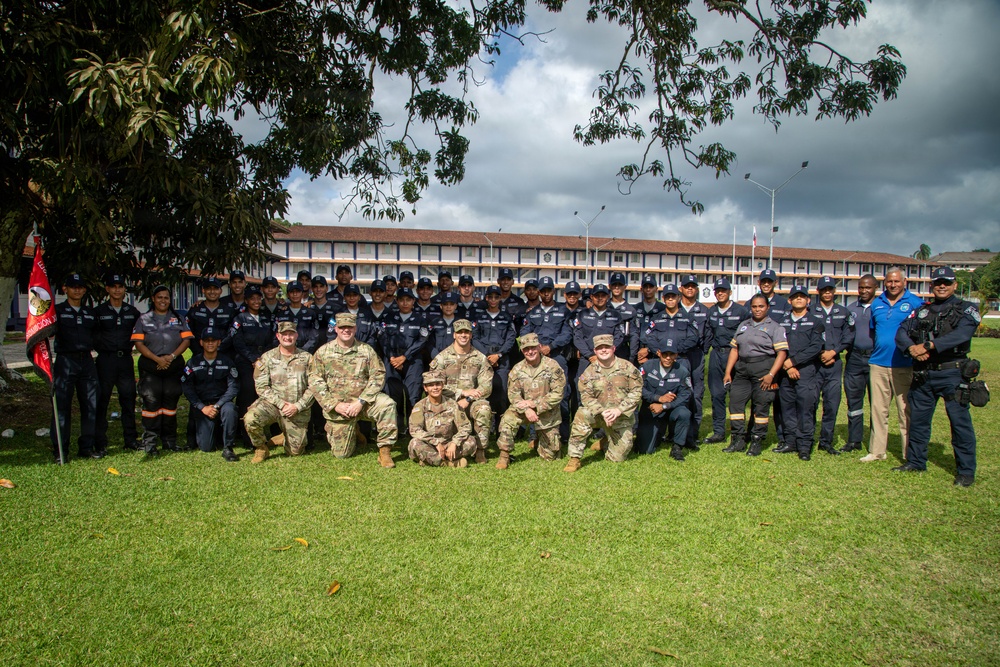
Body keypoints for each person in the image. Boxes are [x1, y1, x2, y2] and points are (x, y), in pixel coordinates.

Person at [893, 266, 980, 485]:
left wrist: (930, 345)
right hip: (924, 373)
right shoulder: (923, 310)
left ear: (955, 285)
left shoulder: (966, 309)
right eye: (938, 282)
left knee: (960, 424)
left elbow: (962, 335)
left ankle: (966, 471)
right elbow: (902, 331)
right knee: (919, 422)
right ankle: (916, 462)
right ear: (932, 285)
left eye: (947, 283)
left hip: (953, 372)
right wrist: (911, 349)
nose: (942, 286)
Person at [309, 313, 398, 467]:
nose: (346, 330)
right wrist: (334, 405)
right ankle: (353, 431)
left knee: (387, 405)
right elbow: (315, 381)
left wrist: (361, 401)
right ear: (336, 329)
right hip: (339, 406)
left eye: (349, 327)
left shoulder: (366, 350)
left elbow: (378, 375)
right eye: (342, 327)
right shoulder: (323, 352)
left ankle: (385, 451)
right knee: (341, 455)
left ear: (355, 328)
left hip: (363, 402)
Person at [863, 267, 925, 462]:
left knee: (905, 411)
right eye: (890, 281)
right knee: (878, 410)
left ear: (904, 282)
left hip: (903, 364)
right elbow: (875, 331)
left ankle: (909, 454)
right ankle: (877, 451)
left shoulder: (915, 303)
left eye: (897, 281)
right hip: (878, 363)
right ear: (885, 282)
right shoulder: (877, 303)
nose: (893, 285)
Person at [563, 334, 643, 472]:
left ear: (613, 348)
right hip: (598, 414)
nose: (604, 350)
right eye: (600, 348)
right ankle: (574, 458)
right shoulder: (588, 372)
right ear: (595, 351)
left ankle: (606, 441)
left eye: (607, 347)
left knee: (617, 459)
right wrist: (602, 411)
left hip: (620, 415)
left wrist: (619, 410)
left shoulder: (628, 368)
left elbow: (636, 391)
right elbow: (586, 396)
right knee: (581, 414)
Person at [722, 294, 788, 456]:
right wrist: (728, 372)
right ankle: (737, 440)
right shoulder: (743, 325)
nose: (757, 310)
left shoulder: (775, 327)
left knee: (761, 406)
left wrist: (771, 374)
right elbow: (735, 349)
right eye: (754, 307)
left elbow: (782, 353)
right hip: (742, 369)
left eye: (761, 306)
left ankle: (757, 441)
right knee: (735, 404)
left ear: (767, 308)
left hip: (764, 369)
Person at [132, 285, 193, 457]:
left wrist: (171, 357)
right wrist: (157, 359)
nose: (163, 300)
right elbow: (139, 343)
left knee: (170, 403)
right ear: (153, 298)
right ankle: (150, 443)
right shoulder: (143, 319)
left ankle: (169, 441)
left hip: (172, 365)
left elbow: (186, 341)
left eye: (166, 297)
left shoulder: (178, 318)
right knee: (151, 403)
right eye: (159, 297)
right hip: (151, 365)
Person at [245, 321, 315, 463]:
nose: (288, 337)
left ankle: (285, 434)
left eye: (291, 334)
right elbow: (261, 386)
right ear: (278, 336)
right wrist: (281, 404)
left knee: (295, 453)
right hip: (273, 405)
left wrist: (298, 406)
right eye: (284, 334)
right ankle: (261, 448)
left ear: (296, 335)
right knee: (250, 419)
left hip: (297, 409)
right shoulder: (267, 358)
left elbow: (314, 386)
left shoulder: (307, 358)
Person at [496, 333, 566, 468]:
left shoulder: (552, 366)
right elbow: (513, 394)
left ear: (539, 347)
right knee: (508, 419)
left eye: (533, 348)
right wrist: (526, 409)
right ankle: (504, 455)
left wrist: (535, 405)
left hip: (547, 411)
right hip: (523, 410)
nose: (530, 351)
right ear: (522, 351)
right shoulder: (517, 369)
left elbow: (558, 393)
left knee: (550, 457)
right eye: (526, 349)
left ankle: (541, 439)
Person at [429, 319, 494, 463]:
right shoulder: (442, 358)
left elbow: (486, 386)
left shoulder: (480, 358)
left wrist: (469, 399)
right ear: (454, 335)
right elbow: (435, 385)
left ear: (471, 335)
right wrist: (462, 393)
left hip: (472, 402)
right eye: (460, 332)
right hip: (447, 401)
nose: (463, 335)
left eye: (466, 332)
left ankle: (480, 449)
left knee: (483, 408)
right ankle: (441, 446)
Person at [51, 273, 100, 462]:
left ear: (85, 290)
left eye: (80, 287)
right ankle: (60, 450)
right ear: (65, 289)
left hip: (86, 361)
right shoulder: (57, 311)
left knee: (90, 405)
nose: (77, 290)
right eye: (73, 287)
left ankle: (86, 448)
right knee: (61, 407)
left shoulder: (90, 313)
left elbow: (96, 335)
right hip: (65, 361)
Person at [774, 285, 827, 461]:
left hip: (807, 372)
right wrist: (788, 366)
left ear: (808, 300)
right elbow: (777, 344)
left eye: (802, 296)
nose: (798, 299)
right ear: (789, 300)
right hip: (785, 371)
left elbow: (816, 347)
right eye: (795, 296)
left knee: (806, 409)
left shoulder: (815, 322)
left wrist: (794, 362)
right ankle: (790, 442)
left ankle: (804, 446)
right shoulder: (782, 322)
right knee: (787, 409)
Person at [94, 272, 141, 453]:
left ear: (124, 289)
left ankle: (130, 440)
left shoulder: (132, 312)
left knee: (128, 400)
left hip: (125, 360)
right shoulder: (99, 312)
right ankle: (100, 442)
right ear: (107, 289)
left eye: (120, 287)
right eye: (113, 286)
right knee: (102, 401)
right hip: (106, 360)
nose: (117, 290)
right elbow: (94, 336)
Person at [180, 327, 239, 461]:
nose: (210, 343)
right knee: (206, 447)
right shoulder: (193, 363)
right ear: (201, 343)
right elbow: (187, 388)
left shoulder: (227, 362)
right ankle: (215, 434)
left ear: (219, 342)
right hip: (203, 406)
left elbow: (233, 387)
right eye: (207, 341)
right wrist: (202, 407)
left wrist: (217, 405)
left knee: (230, 410)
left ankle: (228, 448)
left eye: (214, 340)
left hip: (222, 404)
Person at [703, 278, 749, 444]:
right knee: (717, 395)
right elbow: (708, 334)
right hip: (716, 354)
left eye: (723, 290)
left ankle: (739, 433)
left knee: (736, 396)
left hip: (735, 355)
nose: (720, 293)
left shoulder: (741, 311)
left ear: (730, 292)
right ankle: (719, 432)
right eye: (717, 291)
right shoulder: (712, 311)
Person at [229, 284, 276, 443]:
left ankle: (267, 433)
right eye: (252, 298)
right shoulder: (239, 318)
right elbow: (238, 342)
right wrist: (253, 359)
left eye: (258, 298)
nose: (256, 301)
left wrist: (262, 359)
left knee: (265, 395)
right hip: (245, 362)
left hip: (264, 361)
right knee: (247, 395)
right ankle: (245, 435)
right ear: (246, 300)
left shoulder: (267, 317)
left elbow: (273, 340)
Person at [812, 276, 852, 455]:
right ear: (818, 291)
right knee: (810, 403)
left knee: (831, 404)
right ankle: (807, 438)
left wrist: (833, 352)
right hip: (814, 364)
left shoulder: (843, 312)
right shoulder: (810, 311)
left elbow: (848, 337)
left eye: (830, 289)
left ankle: (826, 441)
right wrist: (819, 353)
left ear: (834, 291)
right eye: (824, 289)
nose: (827, 292)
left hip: (834, 364)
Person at [636, 340, 692, 460]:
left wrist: (664, 406)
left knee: (684, 413)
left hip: (672, 408)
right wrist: (658, 398)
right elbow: (638, 388)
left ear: (676, 355)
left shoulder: (682, 371)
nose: (667, 358)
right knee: (644, 450)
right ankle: (658, 434)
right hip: (651, 408)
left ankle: (677, 447)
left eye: (671, 354)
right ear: (658, 353)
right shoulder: (647, 367)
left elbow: (685, 395)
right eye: (664, 354)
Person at [408, 370, 476, 467]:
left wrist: (454, 443)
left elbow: (465, 427)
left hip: (449, 444)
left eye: (437, 384)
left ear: (442, 386)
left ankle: (430, 460)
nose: (435, 388)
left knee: (471, 441)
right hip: (430, 445)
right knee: (414, 443)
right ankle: (447, 462)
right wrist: (435, 443)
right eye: (431, 385)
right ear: (425, 388)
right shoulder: (420, 406)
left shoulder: (453, 404)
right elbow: (415, 429)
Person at [840, 274, 878, 453]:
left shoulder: (881, 307)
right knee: (854, 401)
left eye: (868, 287)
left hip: (875, 358)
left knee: (877, 403)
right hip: (854, 359)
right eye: (861, 287)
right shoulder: (851, 309)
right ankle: (854, 440)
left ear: (875, 288)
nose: (864, 291)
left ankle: (876, 442)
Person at [381, 287, 429, 425]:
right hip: (392, 360)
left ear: (413, 301)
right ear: (397, 301)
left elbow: (422, 340)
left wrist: (405, 357)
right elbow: (382, 339)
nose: (405, 303)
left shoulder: (420, 319)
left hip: (413, 360)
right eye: (402, 300)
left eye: (408, 300)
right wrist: (392, 357)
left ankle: (413, 426)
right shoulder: (388, 318)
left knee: (413, 395)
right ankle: (396, 425)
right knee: (392, 394)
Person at [471, 285, 517, 418]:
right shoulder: (479, 317)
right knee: (484, 392)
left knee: (502, 393)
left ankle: (500, 428)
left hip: (502, 359)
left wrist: (498, 355)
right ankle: (487, 426)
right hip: (483, 359)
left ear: (500, 298)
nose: (493, 299)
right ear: (486, 298)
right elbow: (475, 338)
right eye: (490, 297)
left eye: (496, 297)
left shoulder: (506, 317)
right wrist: (487, 356)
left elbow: (511, 338)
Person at [571, 283, 623, 380]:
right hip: (587, 359)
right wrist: (590, 355)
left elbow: (619, 337)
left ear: (607, 296)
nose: (600, 298)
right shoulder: (582, 315)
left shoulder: (616, 315)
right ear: (591, 297)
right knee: (582, 386)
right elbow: (577, 337)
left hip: (609, 359)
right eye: (596, 296)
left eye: (602, 296)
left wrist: (605, 354)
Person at [277, 280, 321, 353]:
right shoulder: (281, 313)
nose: (295, 294)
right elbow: (276, 336)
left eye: (297, 291)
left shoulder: (310, 313)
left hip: (305, 353)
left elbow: (314, 337)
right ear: (288, 294)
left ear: (302, 293)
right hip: (285, 352)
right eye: (292, 292)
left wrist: (303, 351)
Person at [608, 272, 639, 363]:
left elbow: (634, 335)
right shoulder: (604, 307)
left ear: (625, 287)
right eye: (614, 285)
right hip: (604, 349)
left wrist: (632, 357)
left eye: (620, 285)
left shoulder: (631, 310)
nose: (617, 287)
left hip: (622, 350)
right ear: (610, 286)